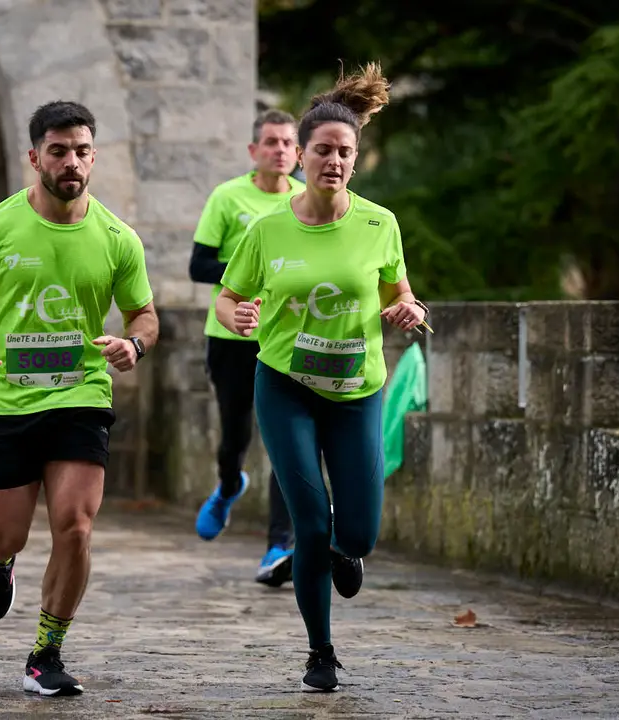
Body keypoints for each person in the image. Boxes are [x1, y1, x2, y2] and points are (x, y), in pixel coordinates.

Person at [215, 62, 429, 693]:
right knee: (309, 523)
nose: (334, 161)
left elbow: (401, 292)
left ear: (354, 160)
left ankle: (346, 546)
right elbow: (226, 300)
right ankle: (320, 652)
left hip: (358, 391)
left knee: (358, 531)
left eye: (345, 152)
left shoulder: (378, 223)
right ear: (299, 157)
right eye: (323, 151)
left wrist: (409, 310)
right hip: (286, 386)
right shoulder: (267, 228)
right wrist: (239, 312)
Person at [0, 100, 157, 697]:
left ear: (94, 156)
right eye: (58, 150)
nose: (71, 161)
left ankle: (47, 651)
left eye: (82, 150)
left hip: (81, 393)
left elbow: (145, 315)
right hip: (7, 399)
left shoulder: (116, 237)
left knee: (76, 525)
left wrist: (135, 346)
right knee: (5, 534)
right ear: (34, 157)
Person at [189, 109, 304, 587]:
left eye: (287, 143)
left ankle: (280, 545)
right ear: (254, 151)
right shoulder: (227, 197)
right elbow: (198, 266)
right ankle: (231, 483)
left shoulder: (307, 200)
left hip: (288, 339)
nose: (280, 150)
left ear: (298, 153)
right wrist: (250, 273)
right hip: (231, 338)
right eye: (270, 142)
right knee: (235, 436)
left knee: (287, 444)